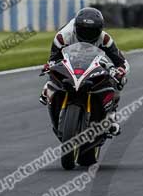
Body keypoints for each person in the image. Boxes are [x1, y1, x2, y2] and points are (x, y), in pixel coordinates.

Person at [40, 7, 128, 136]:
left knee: (119, 79)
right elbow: (53, 59)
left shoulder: (105, 39)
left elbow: (123, 63)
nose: (87, 35)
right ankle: (47, 91)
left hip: (95, 61)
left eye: (92, 32)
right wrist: (50, 66)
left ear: (100, 30)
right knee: (52, 71)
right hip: (70, 59)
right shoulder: (62, 36)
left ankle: (111, 115)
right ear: (76, 27)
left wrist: (120, 71)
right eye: (83, 30)